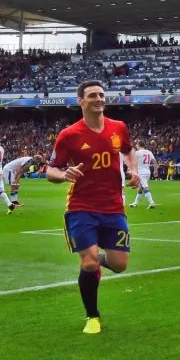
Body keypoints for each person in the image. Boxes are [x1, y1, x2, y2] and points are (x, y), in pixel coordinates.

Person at [47, 80, 139, 335]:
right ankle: (92, 316)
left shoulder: (118, 127)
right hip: (81, 206)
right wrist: (64, 174)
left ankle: (94, 259)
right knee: (88, 264)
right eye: (92, 96)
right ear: (81, 101)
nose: (99, 99)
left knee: (119, 265)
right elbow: (51, 170)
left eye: (101, 95)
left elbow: (129, 152)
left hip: (113, 207)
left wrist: (133, 169)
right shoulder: (69, 135)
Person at [129, 140, 158, 209]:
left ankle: (151, 203)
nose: (136, 146)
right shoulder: (149, 152)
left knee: (145, 187)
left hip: (141, 173)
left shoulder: (137, 153)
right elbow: (154, 162)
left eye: (136, 145)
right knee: (141, 188)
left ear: (138, 145)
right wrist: (155, 170)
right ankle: (135, 203)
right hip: (148, 172)